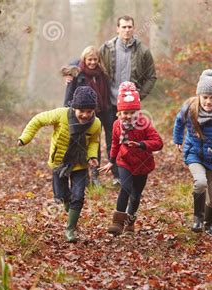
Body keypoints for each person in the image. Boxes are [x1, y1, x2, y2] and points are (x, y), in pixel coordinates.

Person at [65, 15, 157, 186]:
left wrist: (138, 96)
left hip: (129, 107)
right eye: (123, 27)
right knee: (102, 137)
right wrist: (71, 71)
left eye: (130, 27)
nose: (127, 30)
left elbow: (152, 76)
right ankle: (95, 174)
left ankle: (120, 175)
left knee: (124, 138)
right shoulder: (107, 48)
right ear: (118, 29)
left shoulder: (143, 51)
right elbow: (87, 58)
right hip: (107, 102)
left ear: (134, 28)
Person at [17, 86, 101, 243]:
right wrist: (25, 138)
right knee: (61, 196)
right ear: (74, 107)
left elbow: (94, 142)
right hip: (60, 162)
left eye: (89, 111)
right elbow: (38, 120)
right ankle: (70, 209)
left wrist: (92, 157)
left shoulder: (95, 123)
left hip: (80, 164)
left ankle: (70, 229)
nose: (85, 115)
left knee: (78, 196)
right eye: (81, 111)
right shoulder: (61, 115)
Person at [173, 69, 212, 237]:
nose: (208, 101)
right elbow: (179, 121)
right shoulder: (189, 109)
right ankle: (198, 219)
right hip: (193, 153)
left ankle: (209, 225)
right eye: (205, 97)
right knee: (200, 182)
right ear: (199, 95)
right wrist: (178, 139)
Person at [100, 82, 163, 235]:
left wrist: (142, 144)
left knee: (135, 196)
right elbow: (115, 143)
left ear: (138, 112)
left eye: (132, 112)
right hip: (125, 161)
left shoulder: (145, 124)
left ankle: (130, 222)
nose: (128, 116)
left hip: (142, 164)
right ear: (119, 113)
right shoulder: (117, 125)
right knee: (126, 187)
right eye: (125, 113)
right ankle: (117, 223)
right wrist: (111, 161)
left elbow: (158, 143)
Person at [62, 46, 111, 187]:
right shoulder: (76, 73)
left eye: (95, 59)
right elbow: (68, 96)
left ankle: (95, 175)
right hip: (79, 116)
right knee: (80, 145)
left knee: (95, 144)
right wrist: (68, 112)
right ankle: (81, 177)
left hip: (98, 114)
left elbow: (105, 94)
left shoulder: (101, 74)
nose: (92, 62)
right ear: (84, 59)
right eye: (90, 59)